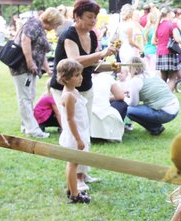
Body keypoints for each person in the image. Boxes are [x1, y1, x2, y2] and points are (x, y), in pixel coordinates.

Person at [50, 0, 118, 191]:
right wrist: (101, 54)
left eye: (95, 17)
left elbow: (91, 67)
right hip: (66, 89)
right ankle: (76, 178)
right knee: (74, 130)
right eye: (89, 17)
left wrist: (110, 65)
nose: (93, 20)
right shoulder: (68, 35)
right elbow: (75, 62)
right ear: (77, 16)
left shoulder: (93, 35)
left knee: (85, 128)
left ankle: (83, 172)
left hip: (85, 87)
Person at [10, 7, 63, 139]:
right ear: (51, 20)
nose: (56, 27)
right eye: (56, 24)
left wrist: (48, 69)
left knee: (30, 96)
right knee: (25, 98)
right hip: (22, 67)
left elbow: (41, 52)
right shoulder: (33, 24)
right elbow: (25, 40)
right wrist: (29, 62)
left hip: (32, 69)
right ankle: (32, 129)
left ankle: (26, 125)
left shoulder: (40, 28)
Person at [57, 59, 91, 204]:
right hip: (74, 136)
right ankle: (74, 194)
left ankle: (72, 189)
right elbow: (70, 119)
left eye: (80, 74)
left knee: (73, 163)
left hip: (81, 132)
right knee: (73, 164)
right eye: (76, 75)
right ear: (65, 78)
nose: (80, 77)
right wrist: (78, 139)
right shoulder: (69, 96)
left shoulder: (74, 91)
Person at [125, 56, 179, 136]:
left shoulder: (135, 80)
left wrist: (123, 98)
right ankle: (155, 127)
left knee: (128, 110)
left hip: (164, 113)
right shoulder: (152, 74)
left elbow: (134, 103)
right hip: (175, 108)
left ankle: (155, 128)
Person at [90, 71, 127, 142]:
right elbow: (120, 96)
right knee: (121, 104)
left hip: (88, 113)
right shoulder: (107, 77)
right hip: (99, 112)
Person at [153, 6, 181, 91]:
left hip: (160, 52)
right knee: (172, 77)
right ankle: (168, 97)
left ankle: (161, 95)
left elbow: (154, 41)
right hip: (169, 52)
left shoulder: (158, 25)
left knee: (163, 77)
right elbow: (177, 39)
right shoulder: (172, 24)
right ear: (169, 13)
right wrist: (180, 41)